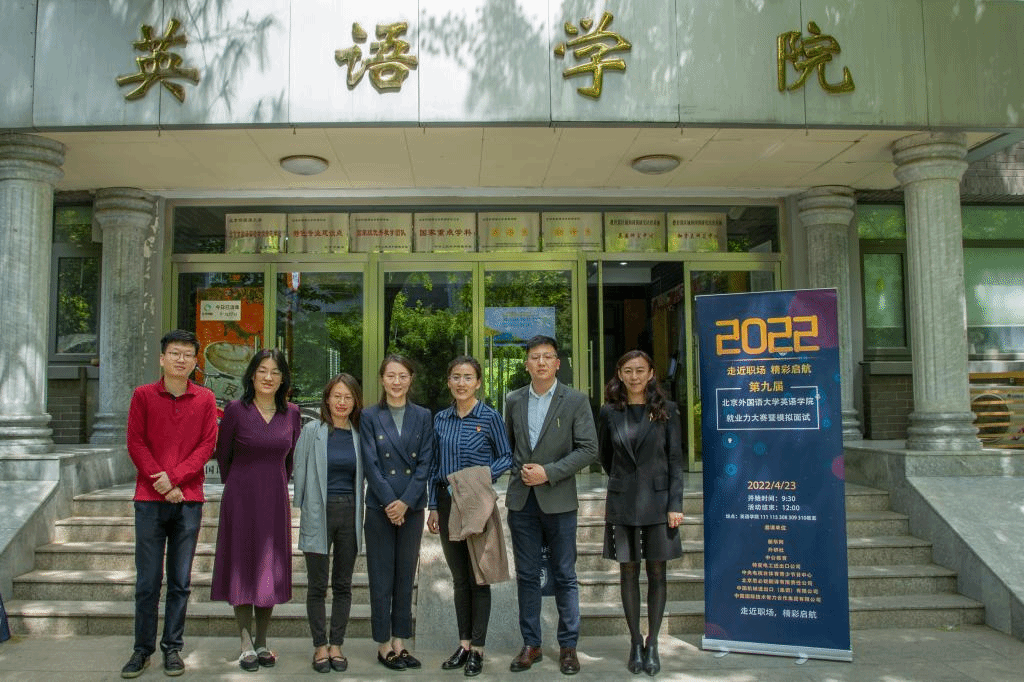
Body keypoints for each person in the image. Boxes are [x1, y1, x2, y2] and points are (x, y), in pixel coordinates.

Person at [121, 329, 218, 678]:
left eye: (187, 355)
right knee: (148, 581)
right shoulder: (143, 395)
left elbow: (207, 445)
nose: (181, 359)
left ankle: (172, 648)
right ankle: (141, 650)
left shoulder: (206, 398)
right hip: (149, 500)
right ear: (162, 358)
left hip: (188, 501)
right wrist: (161, 483)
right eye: (175, 353)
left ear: (195, 362)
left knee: (180, 580)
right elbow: (135, 442)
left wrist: (174, 479)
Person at [504, 335, 598, 676]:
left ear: (558, 363)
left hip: (559, 500)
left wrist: (549, 473)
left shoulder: (575, 400)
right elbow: (510, 446)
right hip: (522, 501)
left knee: (565, 574)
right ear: (526, 364)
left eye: (547, 356)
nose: (541, 362)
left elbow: (588, 449)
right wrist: (520, 471)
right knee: (527, 575)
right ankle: (532, 644)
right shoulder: (513, 399)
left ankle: (568, 646)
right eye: (535, 357)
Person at [210, 349, 301, 672]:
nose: (268, 377)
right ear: (251, 374)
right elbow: (223, 455)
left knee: (268, 569)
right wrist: (240, 483)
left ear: (283, 378)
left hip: (274, 498)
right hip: (241, 497)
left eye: (275, 372)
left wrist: (274, 482)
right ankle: (245, 641)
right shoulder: (236, 409)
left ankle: (262, 641)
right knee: (241, 564)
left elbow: (290, 460)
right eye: (262, 370)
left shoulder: (292, 413)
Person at [598, 350, 684, 676]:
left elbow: (675, 460)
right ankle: (635, 641)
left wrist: (675, 504)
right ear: (619, 374)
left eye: (640, 370)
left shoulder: (667, 410)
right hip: (623, 503)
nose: (634, 377)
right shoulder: (609, 412)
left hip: (659, 504)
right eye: (628, 371)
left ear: (650, 373)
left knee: (657, 574)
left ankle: (653, 643)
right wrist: (625, 482)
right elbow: (605, 457)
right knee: (628, 573)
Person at [427, 356, 514, 677]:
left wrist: (481, 478)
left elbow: (507, 456)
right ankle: (463, 644)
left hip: (477, 504)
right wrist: (432, 506)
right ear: (448, 381)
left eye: (467, 377)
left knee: (479, 577)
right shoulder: (440, 419)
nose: (461, 383)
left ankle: (478, 648)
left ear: (478, 382)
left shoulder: (490, 417)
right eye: (455, 377)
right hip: (447, 502)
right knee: (460, 578)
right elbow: (433, 465)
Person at [360, 354, 435, 671]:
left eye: (403, 376)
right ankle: (383, 644)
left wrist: (405, 502)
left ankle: (400, 642)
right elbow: (370, 464)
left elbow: (426, 462)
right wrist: (392, 502)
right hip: (380, 507)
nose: (396, 381)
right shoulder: (369, 415)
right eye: (391, 375)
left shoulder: (424, 415)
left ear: (411, 379)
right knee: (381, 578)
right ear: (382, 379)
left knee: (405, 577)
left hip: (412, 507)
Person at [293, 373, 365, 673]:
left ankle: (337, 644)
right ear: (327, 398)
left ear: (355, 401)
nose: (342, 402)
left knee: (343, 584)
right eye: (337, 396)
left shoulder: (360, 434)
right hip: (318, 511)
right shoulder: (313, 430)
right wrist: (300, 507)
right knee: (317, 585)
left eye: (348, 397)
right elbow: (299, 467)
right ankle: (320, 645)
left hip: (349, 513)